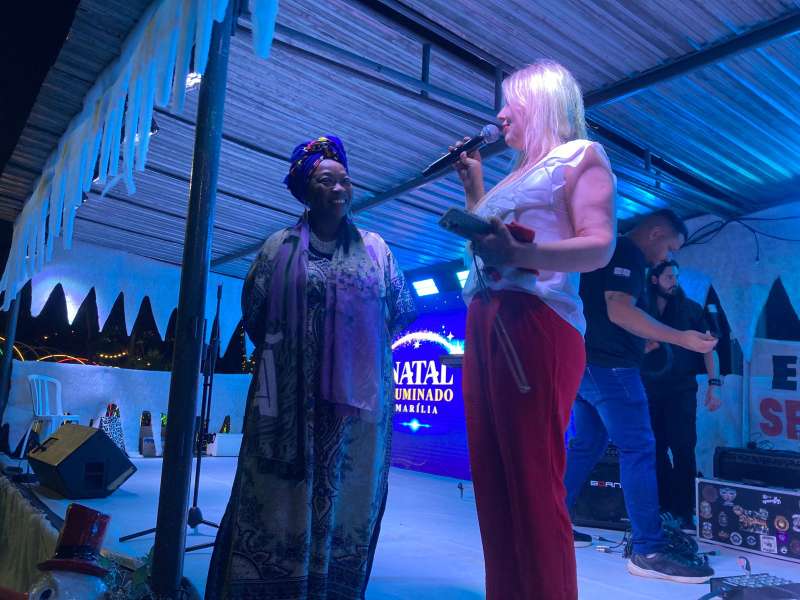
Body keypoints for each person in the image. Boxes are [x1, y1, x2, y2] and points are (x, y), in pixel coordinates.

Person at [206, 136, 417, 600]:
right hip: (286, 404)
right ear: (305, 189)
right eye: (326, 180)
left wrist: (355, 357)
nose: (339, 188)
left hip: (354, 418)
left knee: (346, 503)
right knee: (275, 497)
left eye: (345, 180)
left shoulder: (377, 250)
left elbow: (403, 310)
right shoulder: (276, 248)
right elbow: (255, 315)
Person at [454, 60, 616, 600]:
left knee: (530, 481)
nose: (501, 115)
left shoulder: (581, 156)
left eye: (511, 103)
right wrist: (475, 189)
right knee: (494, 481)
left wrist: (524, 254)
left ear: (541, 103)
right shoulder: (514, 174)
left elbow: (599, 245)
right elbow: (491, 245)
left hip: (536, 320)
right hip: (488, 316)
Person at [564, 209, 718, 583]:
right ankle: (649, 550)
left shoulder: (606, 251)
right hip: (611, 369)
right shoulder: (628, 252)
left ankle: (553, 522)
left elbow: (609, 312)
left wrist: (643, 339)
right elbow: (619, 310)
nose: (666, 256)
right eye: (669, 247)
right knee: (639, 448)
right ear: (655, 232)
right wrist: (681, 338)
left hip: (585, 364)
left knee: (586, 445)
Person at [642, 259, 721, 530]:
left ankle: (685, 511)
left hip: (681, 390)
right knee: (654, 449)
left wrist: (714, 384)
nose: (674, 282)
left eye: (676, 277)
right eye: (668, 277)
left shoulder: (691, 309)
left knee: (683, 448)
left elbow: (709, 348)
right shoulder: (641, 309)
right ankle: (664, 507)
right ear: (654, 279)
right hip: (647, 389)